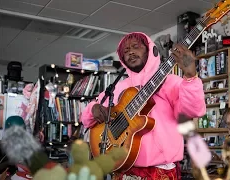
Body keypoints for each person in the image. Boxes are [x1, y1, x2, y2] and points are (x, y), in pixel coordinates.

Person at [80, 32, 206, 180]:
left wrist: (191, 77)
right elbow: (87, 120)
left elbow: (194, 110)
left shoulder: (171, 82)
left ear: (149, 50)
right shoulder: (118, 88)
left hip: (161, 171)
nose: (131, 52)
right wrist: (93, 109)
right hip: (123, 169)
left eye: (136, 47)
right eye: (125, 51)